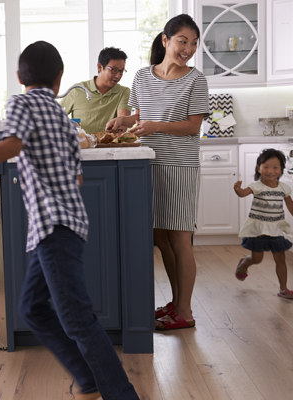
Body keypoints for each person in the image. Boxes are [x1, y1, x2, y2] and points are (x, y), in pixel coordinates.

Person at [0, 41, 140, 400]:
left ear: (18, 77)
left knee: (76, 318)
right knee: (32, 308)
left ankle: (123, 394)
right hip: (66, 225)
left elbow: (12, 145)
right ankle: (87, 378)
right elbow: (77, 177)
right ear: (59, 80)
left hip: (52, 226)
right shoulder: (61, 116)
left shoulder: (21, 102)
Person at [106, 14, 209, 330]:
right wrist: (124, 122)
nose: (188, 49)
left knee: (180, 238)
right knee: (161, 237)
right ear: (165, 40)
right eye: (182, 41)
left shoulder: (196, 79)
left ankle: (186, 313)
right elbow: (140, 116)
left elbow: (193, 126)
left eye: (193, 43)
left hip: (180, 165)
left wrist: (155, 126)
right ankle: (177, 304)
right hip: (148, 162)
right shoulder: (141, 76)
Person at [234, 148, 293, 299]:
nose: (270, 171)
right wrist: (238, 189)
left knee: (280, 259)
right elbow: (242, 194)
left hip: (276, 228)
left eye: (275, 167)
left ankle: (284, 289)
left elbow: (290, 206)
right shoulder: (256, 186)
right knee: (257, 259)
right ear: (259, 167)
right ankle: (244, 265)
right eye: (265, 166)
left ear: (281, 169)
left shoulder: (284, 188)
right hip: (258, 230)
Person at [60, 46, 131, 135]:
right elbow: (56, 118)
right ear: (100, 67)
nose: (118, 76)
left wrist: (119, 131)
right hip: (83, 147)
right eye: (114, 70)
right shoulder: (77, 90)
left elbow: (123, 120)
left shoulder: (123, 92)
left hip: (110, 146)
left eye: (121, 71)